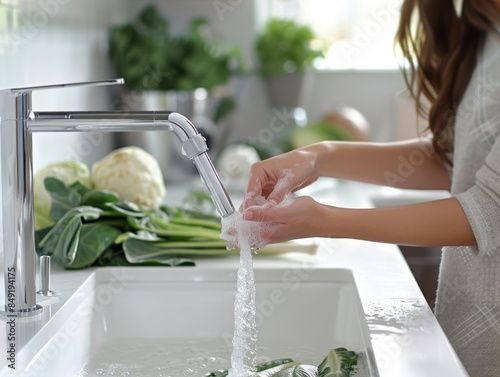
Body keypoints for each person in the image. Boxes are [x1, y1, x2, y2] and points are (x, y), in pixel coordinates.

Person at [239, 1, 500, 376]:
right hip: (467, 331)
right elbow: (454, 159)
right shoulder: (481, 24)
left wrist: (320, 220)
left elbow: (489, 209)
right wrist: (319, 156)